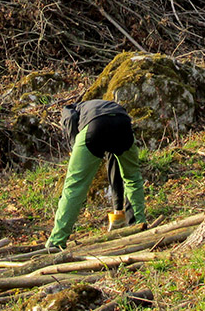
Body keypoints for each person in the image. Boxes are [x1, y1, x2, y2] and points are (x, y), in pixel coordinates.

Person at [46, 99, 146, 249]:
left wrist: (77, 151)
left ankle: (56, 240)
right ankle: (139, 227)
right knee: (133, 178)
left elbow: (72, 125)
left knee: (75, 185)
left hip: (94, 127)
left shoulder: (68, 110)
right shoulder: (105, 105)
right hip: (123, 124)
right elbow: (113, 160)